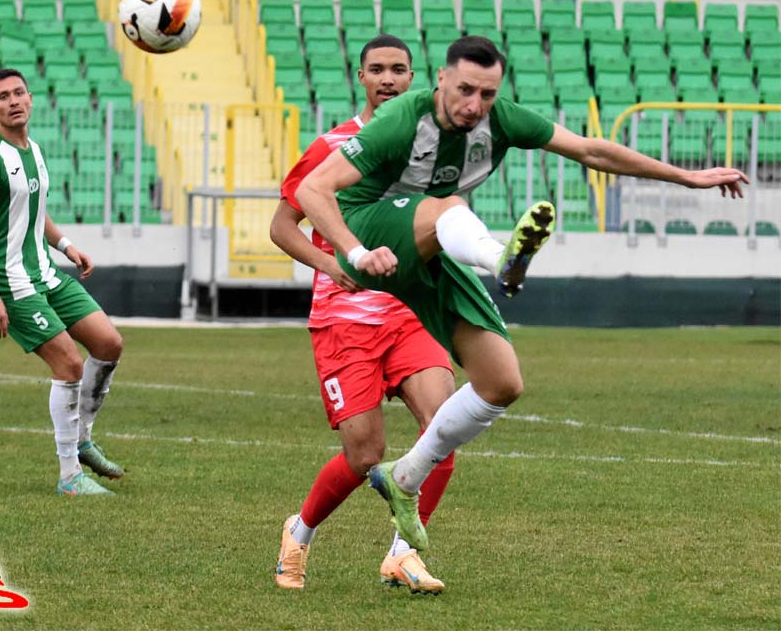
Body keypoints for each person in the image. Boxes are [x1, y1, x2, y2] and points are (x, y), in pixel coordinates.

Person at [295, 35, 749, 552]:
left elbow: (590, 149)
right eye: (465, 90)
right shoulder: (404, 118)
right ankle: (500, 260)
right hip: (369, 234)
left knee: (502, 382)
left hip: (428, 252)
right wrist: (354, 254)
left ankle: (405, 477)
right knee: (448, 208)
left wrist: (685, 177)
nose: (475, 105)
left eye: (487, 94)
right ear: (441, 79)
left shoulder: (501, 120)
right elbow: (312, 190)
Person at [271, 35, 456, 595]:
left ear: (413, 78)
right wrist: (332, 264)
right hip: (345, 321)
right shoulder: (332, 146)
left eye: (398, 69)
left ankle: (403, 555)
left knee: (444, 429)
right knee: (364, 454)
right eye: (377, 69)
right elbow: (282, 227)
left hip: (409, 313)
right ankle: (299, 532)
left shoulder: (431, 150)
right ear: (361, 77)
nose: (388, 79)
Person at [0, 68, 126, 497]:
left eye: (19, 93)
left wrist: (66, 245)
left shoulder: (34, 150)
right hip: (12, 284)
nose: (13, 101)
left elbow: (34, 210)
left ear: (31, 99)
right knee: (68, 363)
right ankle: (70, 476)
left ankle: (83, 439)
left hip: (46, 274)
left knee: (108, 343)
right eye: (3, 97)